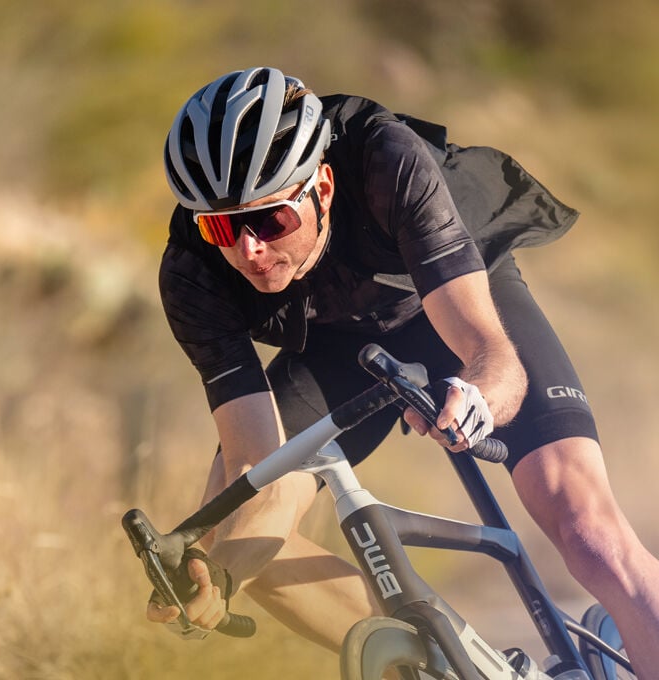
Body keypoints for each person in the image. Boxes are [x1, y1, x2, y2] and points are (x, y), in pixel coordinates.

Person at [148, 66, 659, 677]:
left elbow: (490, 352)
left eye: (270, 220)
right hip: (334, 348)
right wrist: (218, 577)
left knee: (586, 527)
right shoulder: (192, 272)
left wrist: (477, 399)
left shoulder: (387, 162)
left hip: (448, 303)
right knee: (237, 542)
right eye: (222, 226)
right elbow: (254, 463)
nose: (247, 251)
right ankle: (453, 660)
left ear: (324, 187)